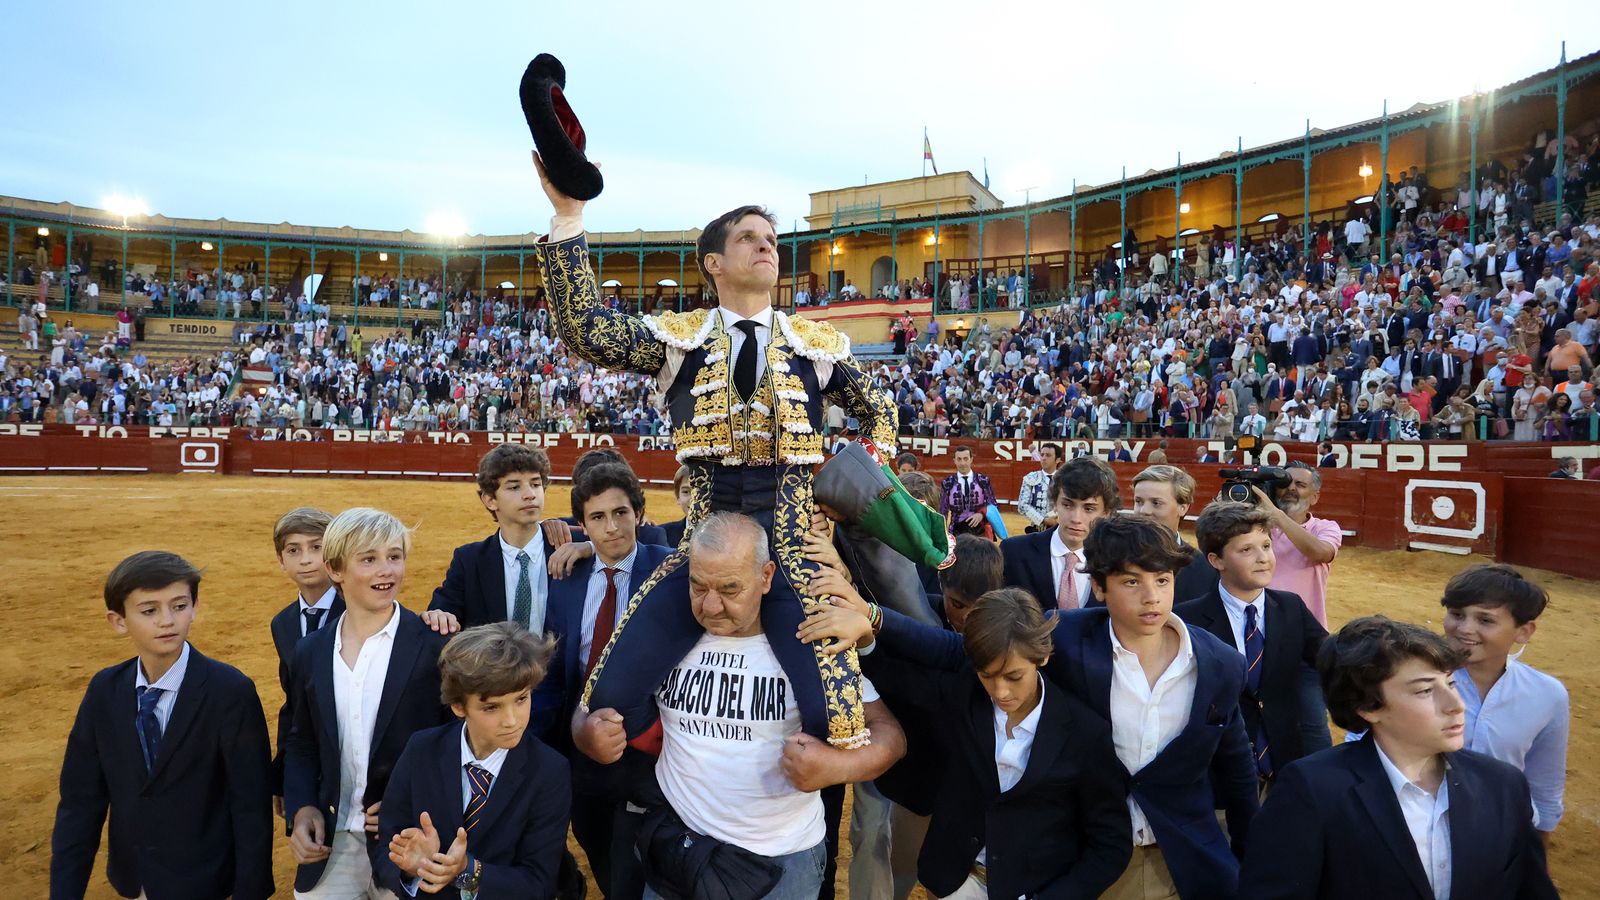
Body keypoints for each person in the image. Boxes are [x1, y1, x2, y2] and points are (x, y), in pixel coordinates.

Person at [534, 157, 896, 749]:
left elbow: (880, 412)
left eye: (772, 240)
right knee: (603, 703)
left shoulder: (815, 343)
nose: (766, 247)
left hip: (794, 547)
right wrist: (570, 217)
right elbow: (588, 330)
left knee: (839, 723)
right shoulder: (682, 337)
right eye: (748, 238)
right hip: (701, 550)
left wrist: (850, 483)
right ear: (714, 263)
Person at [849, 515, 1258, 900]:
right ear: (1099, 587)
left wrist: (1249, 856)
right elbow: (961, 652)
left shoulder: (1220, 662)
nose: (1151, 596)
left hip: (1180, 858)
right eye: (1132, 582)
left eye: (1163, 580)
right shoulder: (1068, 637)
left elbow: (1237, 768)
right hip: (1076, 854)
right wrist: (872, 619)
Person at [572, 513, 906, 900]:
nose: (711, 605)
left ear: (765, 577)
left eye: (730, 589)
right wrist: (585, 733)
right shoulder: (664, 636)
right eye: (698, 586)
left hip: (781, 864)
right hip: (676, 849)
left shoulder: (809, 643)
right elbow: (590, 700)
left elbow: (891, 736)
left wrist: (838, 766)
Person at [1239, 617, 1557, 900]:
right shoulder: (1312, 791)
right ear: (1369, 707)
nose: (1456, 705)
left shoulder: (1503, 784)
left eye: (1450, 683)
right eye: (1424, 691)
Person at [847, 588, 1134, 898]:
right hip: (955, 882)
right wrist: (865, 640)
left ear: (1043, 656)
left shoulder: (1085, 734)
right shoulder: (965, 695)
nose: (1000, 691)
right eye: (986, 675)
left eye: (1013, 676)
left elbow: (1110, 844)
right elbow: (902, 681)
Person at [51, 551, 274, 900]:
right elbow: (81, 802)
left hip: (207, 882)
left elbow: (250, 805)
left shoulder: (230, 691)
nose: (167, 621)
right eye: (149, 610)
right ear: (118, 621)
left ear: (195, 606)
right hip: (135, 880)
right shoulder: (104, 691)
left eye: (179, 606)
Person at [283, 508, 451, 898]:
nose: (386, 570)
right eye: (369, 559)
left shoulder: (435, 647)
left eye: (394, 556)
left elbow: (453, 744)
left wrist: (411, 800)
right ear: (335, 569)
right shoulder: (309, 652)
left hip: (407, 841)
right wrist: (303, 806)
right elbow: (302, 741)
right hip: (331, 842)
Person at [542, 463, 674, 899]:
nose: (612, 527)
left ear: (639, 513)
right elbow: (557, 669)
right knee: (594, 838)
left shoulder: (669, 570)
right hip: (582, 748)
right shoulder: (564, 578)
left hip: (653, 751)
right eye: (597, 518)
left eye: (621, 513)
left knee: (641, 864)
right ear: (581, 525)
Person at [375, 623, 572, 899]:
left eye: (521, 699)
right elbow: (385, 847)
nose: (512, 720)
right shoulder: (421, 749)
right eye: (491, 707)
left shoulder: (550, 771)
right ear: (458, 706)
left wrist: (469, 869)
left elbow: (539, 883)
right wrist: (411, 869)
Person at [1177, 502, 1328, 785]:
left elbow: (1331, 657)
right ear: (1216, 560)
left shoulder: (1291, 608)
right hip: (1217, 770)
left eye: (1266, 546)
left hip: (1283, 765)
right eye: (1246, 549)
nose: (1263, 558)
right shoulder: (1187, 619)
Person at [1439, 565, 1569, 844]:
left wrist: (1537, 860)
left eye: (1485, 620)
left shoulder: (1547, 695)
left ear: (1523, 632)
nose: (1464, 629)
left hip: (1498, 838)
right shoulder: (1408, 678)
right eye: (1456, 614)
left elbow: (1544, 785)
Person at [425, 446, 568, 635]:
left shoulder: (571, 548)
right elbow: (441, 614)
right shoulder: (468, 561)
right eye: (514, 487)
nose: (530, 494)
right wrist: (437, 616)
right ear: (490, 500)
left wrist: (589, 546)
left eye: (535, 484)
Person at [267, 507, 342, 818]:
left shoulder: (361, 611)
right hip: (311, 754)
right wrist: (285, 776)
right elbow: (294, 702)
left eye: (317, 547)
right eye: (293, 550)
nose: (306, 559)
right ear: (281, 561)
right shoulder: (283, 623)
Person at [1000, 456, 1119, 611]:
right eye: (1067, 505)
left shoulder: (1118, 561)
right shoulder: (1013, 552)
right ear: (1055, 504)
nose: (1076, 518)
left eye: (1089, 508)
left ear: (1106, 512)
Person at [1131, 464, 1217, 603]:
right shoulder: (1113, 556)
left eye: (1156, 503)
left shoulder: (1204, 568)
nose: (1144, 511)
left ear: (1183, 508)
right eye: (1139, 501)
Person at [940, 445, 998, 536]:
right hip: (956, 531)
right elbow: (942, 511)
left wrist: (981, 514)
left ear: (971, 459)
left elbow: (992, 504)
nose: (962, 463)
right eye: (959, 459)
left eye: (965, 459)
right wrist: (942, 534)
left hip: (980, 529)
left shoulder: (983, 480)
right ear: (954, 461)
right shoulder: (947, 483)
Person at [1016, 442, 1062, 534]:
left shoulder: (1065, 479)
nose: (1044, 458)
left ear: (1057, 460)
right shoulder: (1031, 477)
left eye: (1048, 455)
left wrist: (1057, 519)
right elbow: (1022, 505)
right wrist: (1043, 520)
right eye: (1042, 455)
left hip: (1061, 528)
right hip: (1037, 529)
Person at [661, 465, 693, 547]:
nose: (693, 499)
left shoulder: (727, 536)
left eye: (700, 491)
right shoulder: (662, 535)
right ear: (678, 497)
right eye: (686, 492)